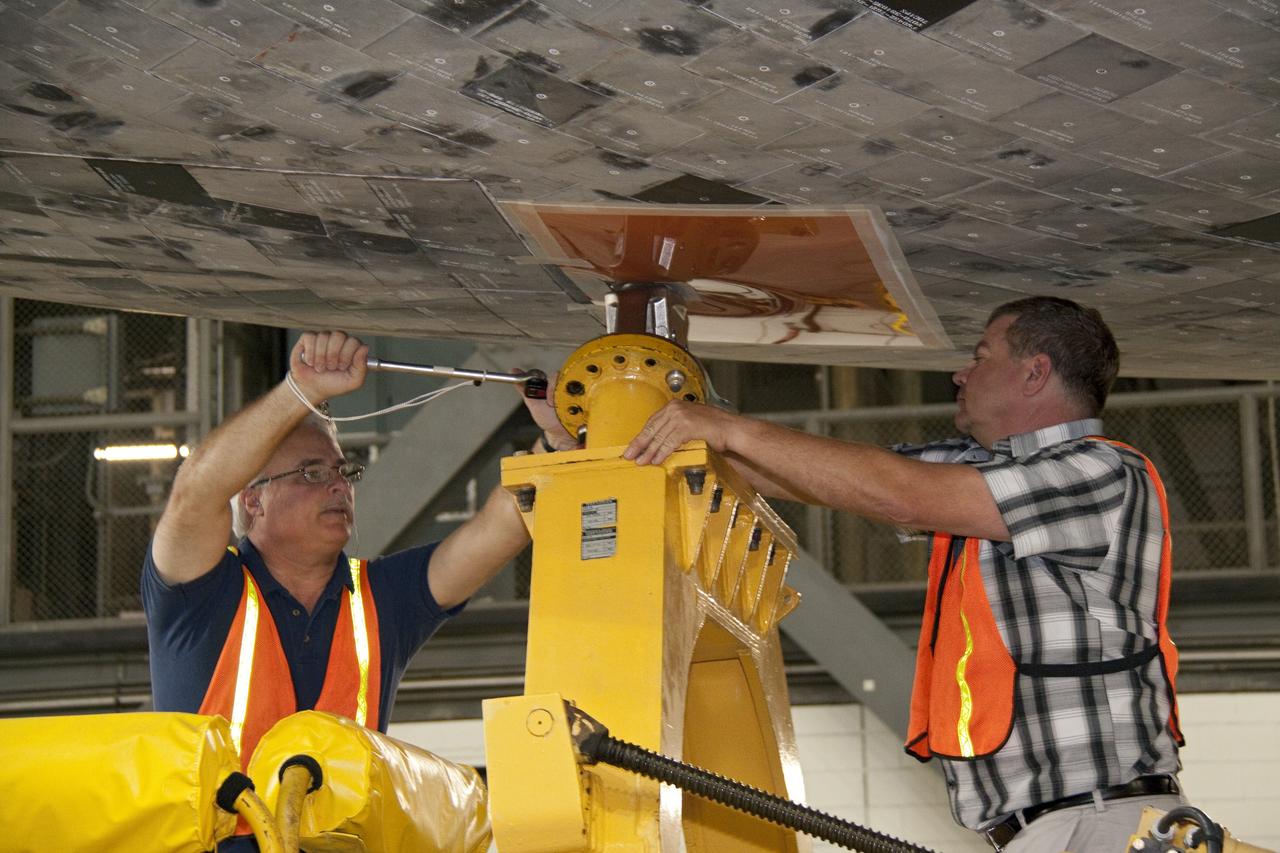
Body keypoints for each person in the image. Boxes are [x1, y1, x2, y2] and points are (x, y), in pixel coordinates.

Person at [619, 296, 1185, 852]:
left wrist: (727, 429)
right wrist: (626, 431)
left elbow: (901, 494)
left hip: (1100, 822)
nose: (961, 374)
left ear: (1035, 373)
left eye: (982, 355)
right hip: (1056, 828)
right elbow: (812, 475)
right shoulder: (982, 471)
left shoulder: (1104, 470)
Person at [142, 330, 548, 847]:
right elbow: (196, 491)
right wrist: (300, 391)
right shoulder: (198, 593)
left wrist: (555, 442)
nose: (338, 485)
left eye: (342, 470)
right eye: (310, 473)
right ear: (253, 502)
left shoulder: (382, 598)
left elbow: (498, 531)